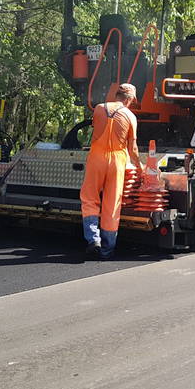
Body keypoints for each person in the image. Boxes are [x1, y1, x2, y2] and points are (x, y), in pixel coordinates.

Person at [80, 83, 143, 260]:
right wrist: (140, 167)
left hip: (96, 158)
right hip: (117, 161)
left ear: (116, 95)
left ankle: (93, 239)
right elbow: (133, 149)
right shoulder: (130, 116)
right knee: (112, 203)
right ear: (129, 99)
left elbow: (96, 128)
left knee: (90, 198)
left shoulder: (99, 108)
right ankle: (107, 249)